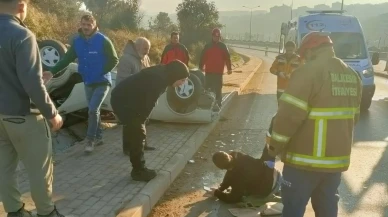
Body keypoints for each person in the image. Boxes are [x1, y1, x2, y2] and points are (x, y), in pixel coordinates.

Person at [267, 31, 362, 217]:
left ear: (310, 52)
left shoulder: (307, 73)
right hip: (335, 163)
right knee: (327, 209)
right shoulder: (353, 76)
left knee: (293, 208)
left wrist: (273, 147)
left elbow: (288, 117)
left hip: (304, 162)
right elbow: (354, 118)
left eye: (304, 56)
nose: (304, 60)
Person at [0, 0, 65, 216]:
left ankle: (14, 210)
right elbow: (32, 84)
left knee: (4, 168)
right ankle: (47, 212)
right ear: (21, 6)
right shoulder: (22, 35)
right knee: (39, 169)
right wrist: (52, 113)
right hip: (24, 116)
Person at [43, 14, 119, 154]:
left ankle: (90, 140)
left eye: (88, 25)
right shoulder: (78, 42)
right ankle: (99, 136)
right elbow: (66, 60)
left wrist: (101, 72)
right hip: (88, 81)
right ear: (81, 24)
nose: (85, 27)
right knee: (92, 109)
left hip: (102, 81)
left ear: (94, 25)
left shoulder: (103, 41)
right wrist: (51, 72)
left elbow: (114, 60)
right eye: (83, 24)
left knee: (92, 110)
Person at [111, 60, 189, 182]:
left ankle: (128, 147)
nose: (182, 84)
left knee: (134, 126)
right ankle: (138, 171)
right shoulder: (158, 80)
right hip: (123, 101)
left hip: (124, 97)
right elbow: (148, 105)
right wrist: (141, 125)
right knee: (138, 132)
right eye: (182, 80)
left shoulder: (163, 74)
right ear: (176, 75)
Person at [115, 37, 155, 152]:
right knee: (129, 123)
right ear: (137, 47)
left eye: (149, 48)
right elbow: (122, 81)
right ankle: (127, 148)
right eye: (145, 48)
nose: (147, 51)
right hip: (128, 96)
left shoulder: (145, 57)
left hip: (142, 96)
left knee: (143, 121)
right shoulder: (126, 60)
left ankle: (143, 144)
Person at [212, 150, 281, 204]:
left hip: (271, 187)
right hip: (274, 173)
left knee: (245, 198)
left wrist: (217, 193)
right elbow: (230, 172)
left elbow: (233, 199)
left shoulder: (239, 178)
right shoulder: (237, 155)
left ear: (221, 168)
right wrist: (222, 187)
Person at [199, 28, 232, 111]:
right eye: (214, 36)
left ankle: (218, 105)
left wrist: (229, 69)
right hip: (209, 72)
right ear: (212, 36)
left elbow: (227, 58)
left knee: (218, 89)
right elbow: (203, 57)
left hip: (218, 72)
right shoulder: (208, 46)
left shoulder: (223, 46)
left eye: (218, 37)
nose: (216, 38)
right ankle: (207, 105)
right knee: (207, 89)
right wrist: (201, 66)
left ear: (219, 37)